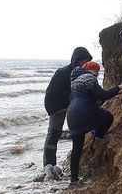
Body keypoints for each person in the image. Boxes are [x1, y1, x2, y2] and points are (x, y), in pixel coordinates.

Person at [66, 61, 122, 183]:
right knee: (107, 117)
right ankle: (97, 140)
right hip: (85, 113)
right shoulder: (89, 78)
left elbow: (91, 98)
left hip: (72, 116)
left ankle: (73, 179)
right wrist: (119, 88)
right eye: (97, 73)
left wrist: (115, 91)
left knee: (77, 148)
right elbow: (103, 95)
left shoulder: (75, 82)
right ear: (94, 72)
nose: (97, 76)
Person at [42, 47, 93, 180]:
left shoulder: (84, 73)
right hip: (58, 108)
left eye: (88, 60)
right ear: (77, 60)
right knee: (53, 134)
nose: (86, 63)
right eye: (84, 60)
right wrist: (50, 110)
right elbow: (50, 91)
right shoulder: (63, 72)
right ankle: (49, 165)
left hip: (73, 107)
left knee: (76, 133)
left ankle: (72, 172)